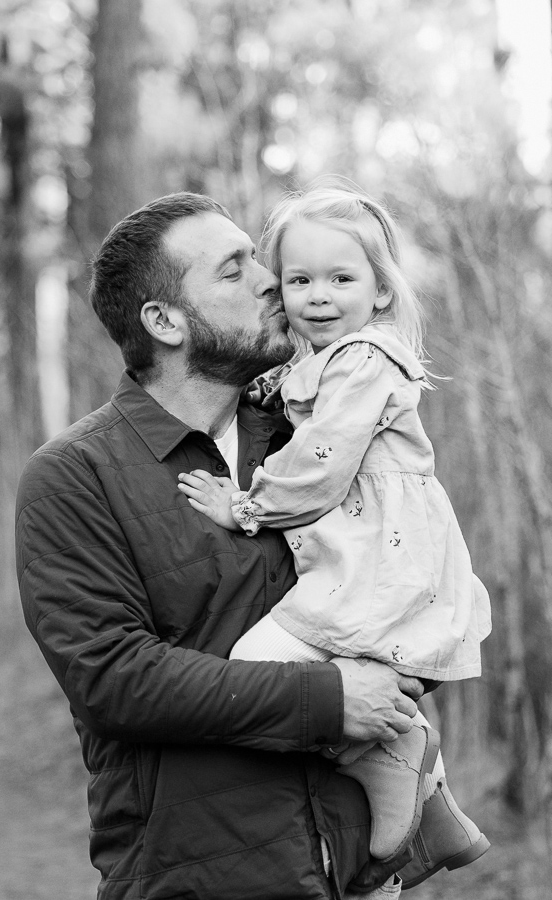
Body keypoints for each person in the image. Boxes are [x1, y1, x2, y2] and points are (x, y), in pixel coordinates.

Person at [15, 191, 429, 900]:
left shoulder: (315, 436)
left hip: (359, 871)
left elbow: (403, 575)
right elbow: (114, 679)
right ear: (164, 321)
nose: (272, 280)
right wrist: (328, 699)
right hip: (198, 874)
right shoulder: (75, 475)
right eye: (235, 270)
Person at [177, 179, 493, 886]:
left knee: (259, 668)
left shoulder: (364, 361)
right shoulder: (326, 362)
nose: (318, 296)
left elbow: (323, 461)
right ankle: (434, 809)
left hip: (377, 560)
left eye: (341, 279)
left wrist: (247, 508)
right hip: (366, 553)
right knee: (334, 682)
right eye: (299, 280)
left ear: (380, 291)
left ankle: (392, 755)